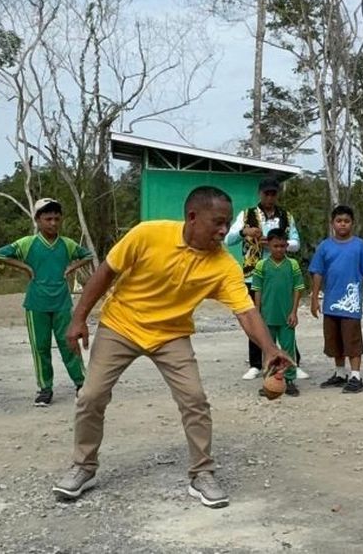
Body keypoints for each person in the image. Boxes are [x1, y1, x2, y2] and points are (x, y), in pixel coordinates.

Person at [51, 186, 291, 509]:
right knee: (91, 395)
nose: (224, 230)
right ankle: (84, 467)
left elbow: (246, 311)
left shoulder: (223, 265)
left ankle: (202, 473)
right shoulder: (147, 235)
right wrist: (78, 318)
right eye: (218, 223)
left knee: (194, 398)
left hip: (171, 334)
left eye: (226, 224)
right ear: (192, 217)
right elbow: (106, 272)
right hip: (121, 325)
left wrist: (269, 348)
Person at [0, 198, 93, 407]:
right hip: (36, 304)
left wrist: (70, 268)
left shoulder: (67, 244)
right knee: (41, 347)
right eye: (48, 219)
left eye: (57, 218)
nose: (53, 223)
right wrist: (25, 268)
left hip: (62, 302)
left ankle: (81, 383)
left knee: (69, 343)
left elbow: (88, 255)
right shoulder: (27, 243)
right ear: (38, 220)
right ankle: (45, 388)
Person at [225, 178, 304, 381]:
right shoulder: (247, 214)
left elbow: (296, 242)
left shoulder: (286, 216)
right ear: (260, 194)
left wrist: (277, 244)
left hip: (281, 276)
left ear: (277, 194)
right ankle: (256, 363)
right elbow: (228, 239)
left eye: (273, 194)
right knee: (255, 318)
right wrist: (245, 232)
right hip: (254, 275)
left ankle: (293, 361)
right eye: (266, 193)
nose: (270, 197)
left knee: (286, 317)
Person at [309, 205, 363, 393]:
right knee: (334, 340)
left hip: (352, 302)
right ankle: (340, 374)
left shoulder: (360, 245)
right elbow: (317, 272)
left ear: (352, 224)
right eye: (339, 221)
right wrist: (315, 298)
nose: (342, 225)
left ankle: (356, 376)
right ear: (332, 224)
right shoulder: (324, 246)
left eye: (346, 221)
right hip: (331, 302)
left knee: (352, 340)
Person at [252, 229, 305, 396]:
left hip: (286, 316)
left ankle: (289, 380)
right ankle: (269, 381)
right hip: (267, 316)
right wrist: (257, 313)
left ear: (287, 246)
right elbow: (257, 289)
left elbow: (297, 289)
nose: (279, 249)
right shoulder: (261, 265)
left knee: (288, 349)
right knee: (268, 349)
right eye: (276, 246)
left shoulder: (293, 265)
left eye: (283, 246)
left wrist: (294, 312)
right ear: (269, 245)